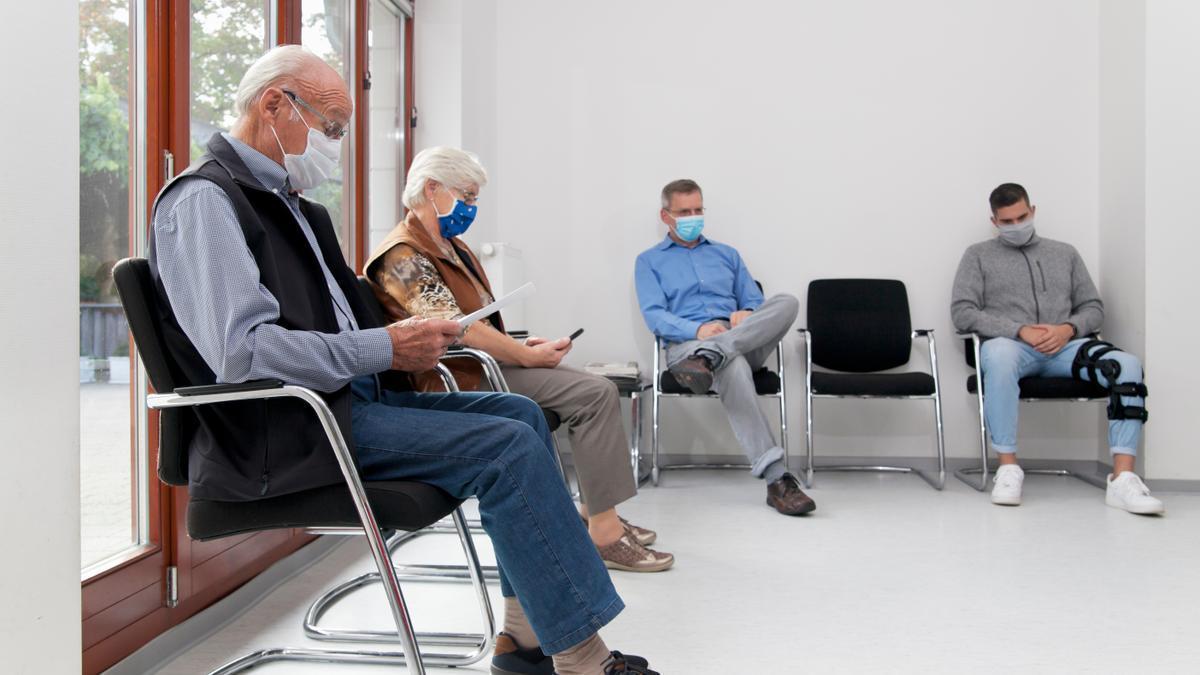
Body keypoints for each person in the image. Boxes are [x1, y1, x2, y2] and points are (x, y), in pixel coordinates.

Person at [147, 45, 657, 675]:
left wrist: (401, 342)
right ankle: (583, 658)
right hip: (285, 432)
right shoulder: (204, 201)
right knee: (506, 447)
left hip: (346, 403)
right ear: (274, 104)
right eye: (330, 127)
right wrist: (386, 345)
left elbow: (334, 324)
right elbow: (241, 352)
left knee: (521, 416)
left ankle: (524, 639)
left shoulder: (293, 206)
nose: (335, 144)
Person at [365, 147, 674, 574]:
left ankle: (597, 512)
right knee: (595, 394)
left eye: (474, 198)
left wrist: (523, 345)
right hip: (454, 380)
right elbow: (457, 328)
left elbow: (481, 321)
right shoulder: (400, 257)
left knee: (590, 389)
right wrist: (526, 357)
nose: (471, 207)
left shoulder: (453, 248)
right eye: (466, 196)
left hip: (480, 365)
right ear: (432, 189)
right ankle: (603, 531)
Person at [951, 182, 1162, 514]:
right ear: (994, 222)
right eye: (1006, 222)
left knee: (1127, 365)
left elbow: (1093, 307)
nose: (1016, 226)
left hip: (1066, 349)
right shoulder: (977, 256)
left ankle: (1122, 478)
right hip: (1014, 347)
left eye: (1021, 217)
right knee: (997, 355)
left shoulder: (1064, 253)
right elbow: (963, 312)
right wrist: (1019, 330)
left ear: (1032, 211)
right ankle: (1007, 468)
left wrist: (1067, 329)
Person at [634, 179, 815, 516]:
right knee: (731, 365)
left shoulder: (727, 254)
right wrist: (698, 329)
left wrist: (746, 314)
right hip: (687, 350)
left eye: (698, 209)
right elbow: (655, 316)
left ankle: (714, 354)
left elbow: (756, 303)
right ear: (665, 215)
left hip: (737, 341)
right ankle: (777, 479)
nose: (693, 216)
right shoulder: (649, 262)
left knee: (786, 302)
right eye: (684, 211)